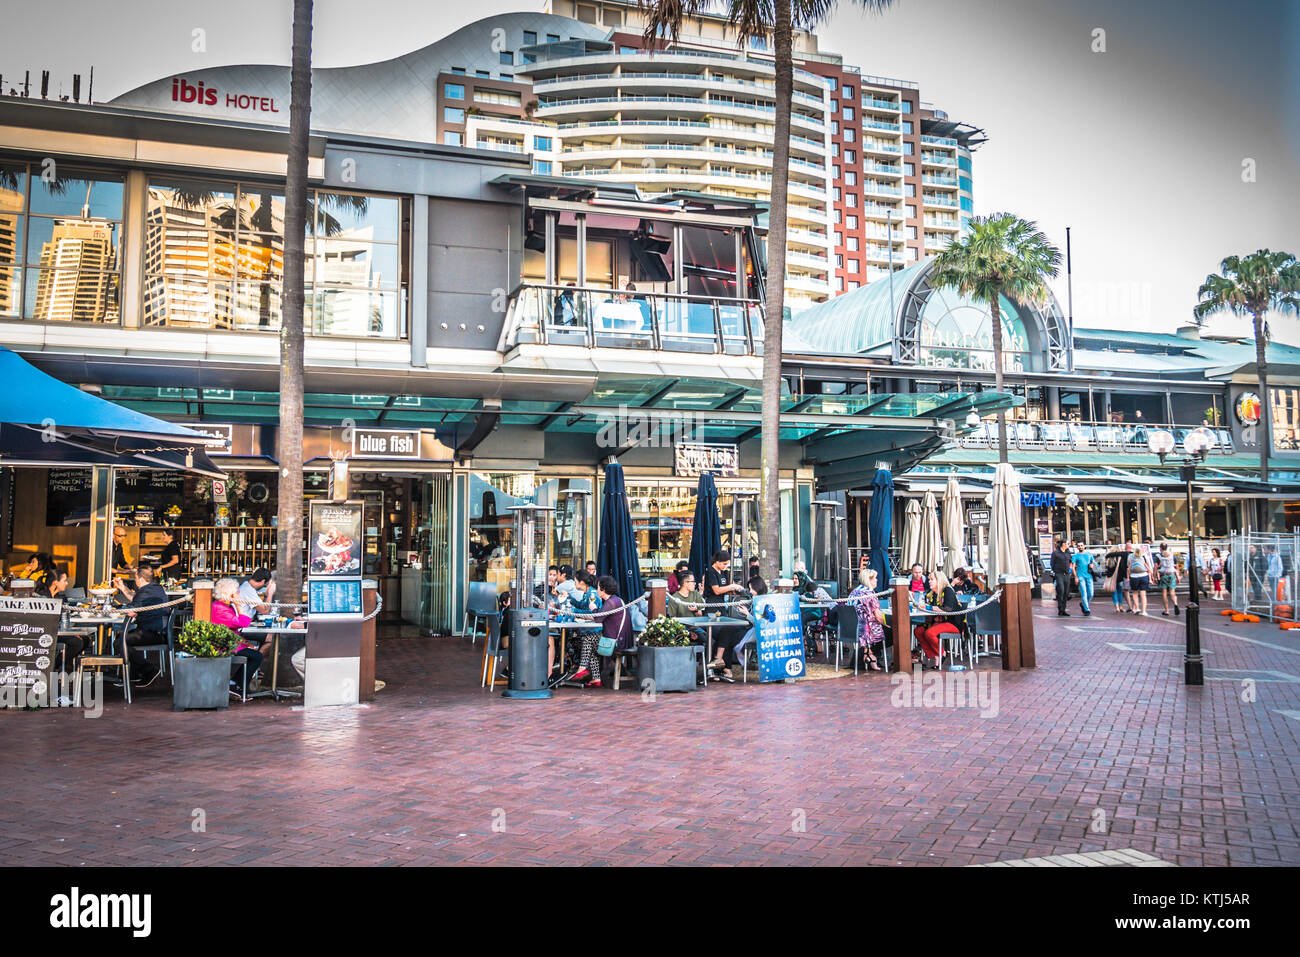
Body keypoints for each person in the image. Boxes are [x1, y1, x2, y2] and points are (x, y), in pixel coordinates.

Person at [113, 566, 170, 686]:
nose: (135, 581)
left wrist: (118, 610)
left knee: (119, 642)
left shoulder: (144, 592)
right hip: (160, 632)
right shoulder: (156, 588)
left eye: (135, 578)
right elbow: (136, 600)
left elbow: (132, 608)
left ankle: (149, 669)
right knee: (124, 639)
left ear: (140, 578)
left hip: (153, 633)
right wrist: (122, 587)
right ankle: (133, 675)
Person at [573, 576, 630, 688]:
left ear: (603, 589)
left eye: (598, 587)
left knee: (588, 639)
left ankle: (582, 668)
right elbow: (600, 617)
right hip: (621, 640)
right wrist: (584, 616)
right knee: (592, 648)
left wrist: (593, 608)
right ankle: (596, 678)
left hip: (616, 643)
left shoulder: (610, 603)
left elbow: (598, 618)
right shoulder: (616, 600)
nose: (597, 589)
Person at [211, 577, 262, 690]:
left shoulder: (224, 606)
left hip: (231, 643)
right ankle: (237, 685)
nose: (238, 594)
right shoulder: (221, 609)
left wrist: (245, 642)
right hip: (225, 646)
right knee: (257, 656)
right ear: (227, 593)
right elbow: (244, 622)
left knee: (254, 654)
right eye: (236, 592)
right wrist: (239, 605)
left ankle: (236, 683)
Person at [914, 569, 962, 666]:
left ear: (939, 580)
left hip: (953, 623)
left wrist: (931, 607)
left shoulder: (948, 590)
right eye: (929, 579)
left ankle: (942, 654)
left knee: (929, 633)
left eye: (932, 579)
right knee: (918, 631)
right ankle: (934, 656)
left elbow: (948, 609)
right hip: (937, 622)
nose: (929, 581)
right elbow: (928, 608)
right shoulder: (932, 594)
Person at [846, 567, 886, 671]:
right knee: (893, 633)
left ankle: (867, 654)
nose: (877, 580)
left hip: (850, 629)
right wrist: (888, 624)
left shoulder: (854, 592)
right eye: (875, 578)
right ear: (869, 580)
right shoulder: (869, 593)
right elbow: (878, 616)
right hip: (866, 631)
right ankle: (870, 655)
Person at [1070, 544, 1095, 617]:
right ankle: (1087, 609)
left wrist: (1092, 565)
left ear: (1084, 546)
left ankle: (1083, 604)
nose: (1080, 547)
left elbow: (1093, 562)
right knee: (1084, 592)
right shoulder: (1075, 556)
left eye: (1081, 545)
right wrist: (1076, 577)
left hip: (1089, 576)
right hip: (1080, 576)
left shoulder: (1089, 554)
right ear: (1077, 547)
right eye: (1078, 546)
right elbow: (1073, 567)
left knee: (1091, 593)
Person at [1156, 543, 1180, 616]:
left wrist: (1155, 576)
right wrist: (1178, 577)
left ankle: (1166, 610)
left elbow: (1156, 567)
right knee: (1172, 592)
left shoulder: (1158, 556)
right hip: (1172, 574)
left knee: (1164, 593)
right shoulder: (1173, 556)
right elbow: (1176, 567)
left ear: (1160, 548)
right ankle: (1175, 603)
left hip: (1164, 575)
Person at [1050, 540, 1073, 617]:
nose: (1068, 545)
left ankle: (1063, 609)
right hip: (1059, 573)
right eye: (1067, 543)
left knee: (1066, 592)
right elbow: (1052, 563)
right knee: (1061, 590)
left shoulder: (1068, 552)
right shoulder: (1056, 553)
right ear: (1063, 544)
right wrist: (1055, 571)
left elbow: (1070, 561)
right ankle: (1060, 608)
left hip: (1067, 574)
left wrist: (1070, 571)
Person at [1127, 543, 1151, 615]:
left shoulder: (1130, 556)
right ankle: (1144, 611)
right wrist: (1150, 577)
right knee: (1143, 594)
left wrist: (1128, 577)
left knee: (1134, 593)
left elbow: (1128, 567)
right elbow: (1149, 566)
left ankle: (1137, 608)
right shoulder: (1144, 556)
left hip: (1134, 576)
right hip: (1144, 575)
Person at [1106, 542, 1130, 612]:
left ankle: (1116, 607)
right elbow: (1123, 567)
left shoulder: (1110, 558)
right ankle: (1121, 606)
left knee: (1114, 592)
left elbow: (1107, 567)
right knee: (1120, 591)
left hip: (1112, 577)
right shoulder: (1121, 558)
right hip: (1119, 577)